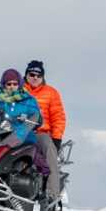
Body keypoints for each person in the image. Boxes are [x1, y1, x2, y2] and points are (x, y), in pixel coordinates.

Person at [23, 60, 67, 202]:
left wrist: (57, 138)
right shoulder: (17, 90)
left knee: (49, 148)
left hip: (39, 133)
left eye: (38, 75)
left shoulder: (51, 93)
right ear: (26, 75)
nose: (35, 77)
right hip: (18, 132)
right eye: (32, 74)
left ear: (42, 77)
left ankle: (51, 194)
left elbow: (58, 116)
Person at [0, 68, 42, 148]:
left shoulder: (28, 100)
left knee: (34, 154)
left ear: (19, 84)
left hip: (23, 137)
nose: (12, 87)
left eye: (15, 84)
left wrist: (20, 132)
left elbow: (36, 117)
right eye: (9, 84)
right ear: (4, 85)